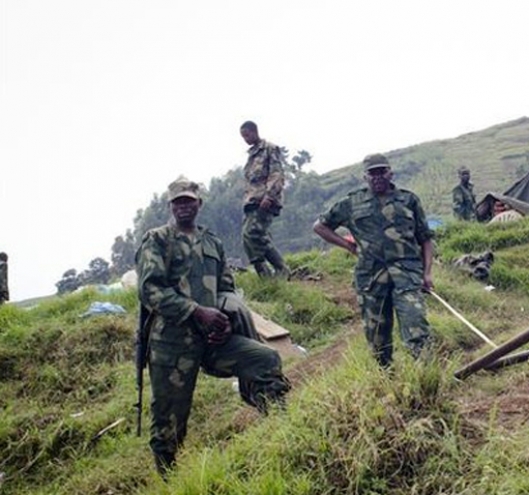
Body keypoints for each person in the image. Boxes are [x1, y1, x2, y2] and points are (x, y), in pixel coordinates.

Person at [137, 176, 290, 476]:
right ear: (170, 205)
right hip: (172, 345)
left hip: (213, 341)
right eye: (178, 202)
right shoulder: (157, 240)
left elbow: (226, 287)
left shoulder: (212, 242)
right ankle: (169, 479)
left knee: (265, 359)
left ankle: (282, 431)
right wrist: (196, 311)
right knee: (169, 420)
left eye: (189, 201)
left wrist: (227, 316)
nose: (184, 207)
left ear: (199, 204)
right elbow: (150, 290)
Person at [313, 153, 435, 368]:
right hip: (370, 278)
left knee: (416, 324)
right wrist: (348, 245)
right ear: (365, 177)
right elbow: (320, 226)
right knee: (377, 337)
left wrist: (427, 273)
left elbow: (425, 239)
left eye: (382, 171)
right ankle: (386, 378)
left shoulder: (409, 200)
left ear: (391, 172)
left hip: (406, 274)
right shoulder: (351, 203)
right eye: (372, 173)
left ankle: (426, 378)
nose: (378, 176)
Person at [239, 120, 290, 279]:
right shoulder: (252, 155)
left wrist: (270, 196)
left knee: (253, 234)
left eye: (247, 135)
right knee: (250, 237)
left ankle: (280, 269)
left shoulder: (269, 149)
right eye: (243, 137)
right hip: (252, 201)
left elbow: (276, 174)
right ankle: (265, 275)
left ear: (254, 131)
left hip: (264, 200)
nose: (246, 139)